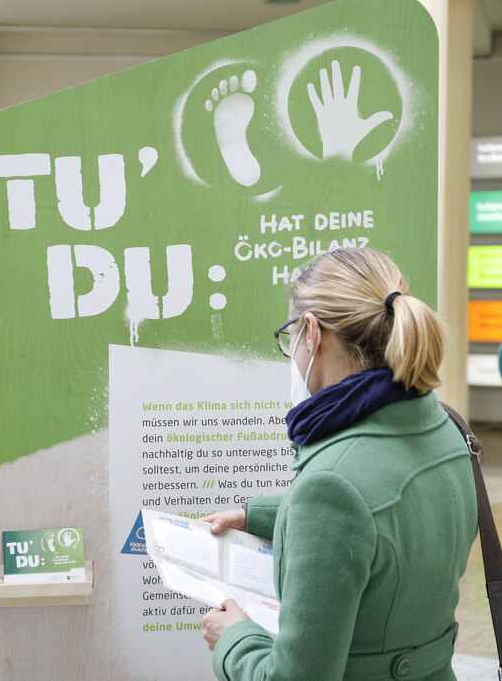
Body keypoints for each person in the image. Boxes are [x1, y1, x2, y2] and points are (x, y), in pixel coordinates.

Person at [200, 247, 477, 681]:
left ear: (310, 332)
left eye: (288, 336)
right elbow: (388, 514)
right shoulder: (447, 429)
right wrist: (259, 516)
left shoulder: (331, 484)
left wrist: (235, 636)